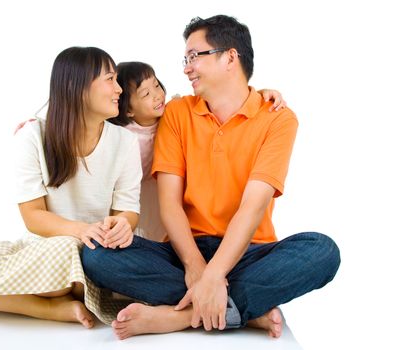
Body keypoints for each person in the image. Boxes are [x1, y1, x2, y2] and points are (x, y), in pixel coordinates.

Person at [81, 15, 341, 340]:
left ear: (230, 57)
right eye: (185, 59)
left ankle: (183, 315)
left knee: (322, 250)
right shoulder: (177, 112)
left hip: (248, 251)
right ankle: (239, 310)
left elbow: (253, 206)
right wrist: (197, 270)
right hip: (182, 251)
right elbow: (170, 204)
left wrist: (216, 274)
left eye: (194, 56)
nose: (186, 68)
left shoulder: (278, 119)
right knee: (96, 254)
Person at [0, 46, 142, 328]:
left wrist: (121, 224)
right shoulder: (33, 135)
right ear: (76, 86)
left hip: (97, 254)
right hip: (46, 252)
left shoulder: (124, 141)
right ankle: (50, 309)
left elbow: (128, 210)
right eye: (110, 79)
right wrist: (80, 230)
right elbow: (33, 215)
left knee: (79, 260)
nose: (119, 88)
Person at [108, 61, 286, 241]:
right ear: (128, 110)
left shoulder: (173, 112)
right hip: (142, 198)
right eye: (146, 94)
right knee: (140, 238)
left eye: (156, 85)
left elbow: (233, 98)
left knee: (168, 231)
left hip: (168, 193)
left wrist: (261, 94)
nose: (157, 96)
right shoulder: (126, 138)